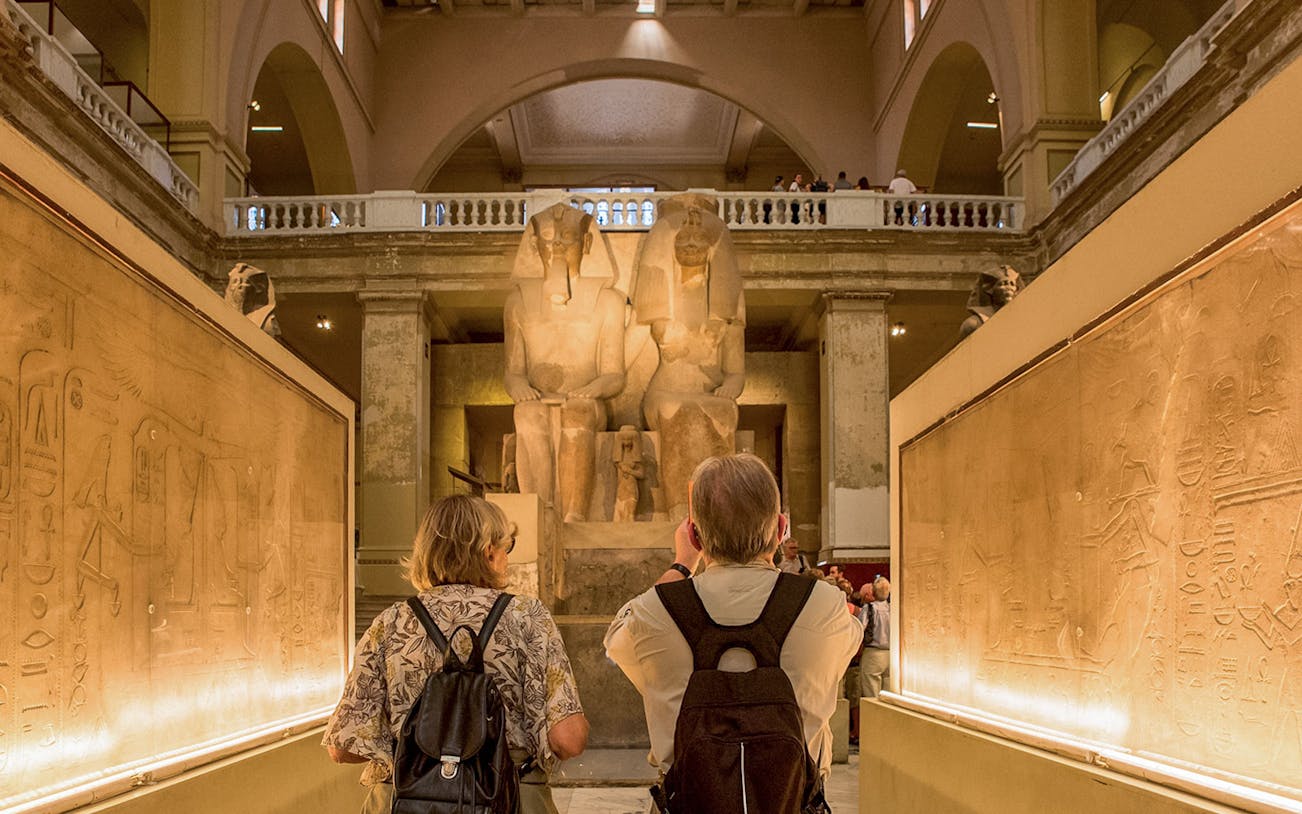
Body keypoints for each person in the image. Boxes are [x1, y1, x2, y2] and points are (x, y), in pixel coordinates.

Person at [604, 454, 862, 792]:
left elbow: (616, 641)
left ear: (694, 536)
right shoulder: (825, 606)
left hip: (688, 802)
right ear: (780, 529)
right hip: (794, 800)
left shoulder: (654, 612)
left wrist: (682, 564)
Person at [324, 495, 590, 814]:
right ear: (488, 551)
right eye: (507, 546)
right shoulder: (528, 618)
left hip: (404, 801)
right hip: (510, 798)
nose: (507, 557)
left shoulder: (390, 623)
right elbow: (568, 738)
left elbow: (343, 748)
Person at [958, 264, 1023, 338]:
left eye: (1012, 284)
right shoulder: (974, 324)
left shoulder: (1022, 322)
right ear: (990, 290)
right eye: (1003, 284)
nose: (1009, 287)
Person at [858, 576, 891, 698]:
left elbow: (859, 628)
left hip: (873, 653)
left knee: (871, 694)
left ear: (873, 592)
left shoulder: (869, 608)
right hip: (892, 654)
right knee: (888, 695)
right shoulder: (893, 608)